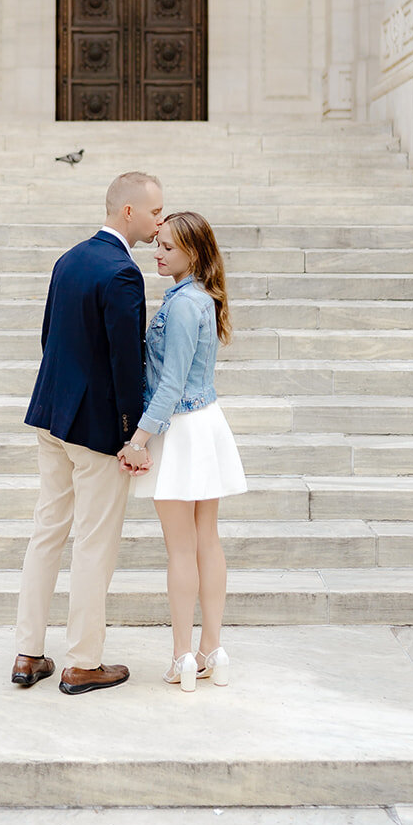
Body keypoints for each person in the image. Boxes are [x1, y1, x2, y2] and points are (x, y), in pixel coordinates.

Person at [11, 170, 165, 695]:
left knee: (46, 533)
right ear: (128, 212)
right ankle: (82, 662)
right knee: (94, 544)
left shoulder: (69, 258)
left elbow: (47, 337)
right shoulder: (123, 273)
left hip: (52, 418)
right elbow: (127, 363)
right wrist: (132, 435)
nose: (160, 221)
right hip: (96, 430)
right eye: (154, 212)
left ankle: (29, 653)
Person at [122, 211, 246, 692]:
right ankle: (212, 647)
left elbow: (171, 384)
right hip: (206, 423)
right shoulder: (203, 297)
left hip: (180, 428)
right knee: (207, 541)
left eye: (168, 248)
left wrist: (139, 439)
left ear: (193, 253)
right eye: (158, 244)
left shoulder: (180, 305)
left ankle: (183, 656)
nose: (157, 252)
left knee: (181, 548)